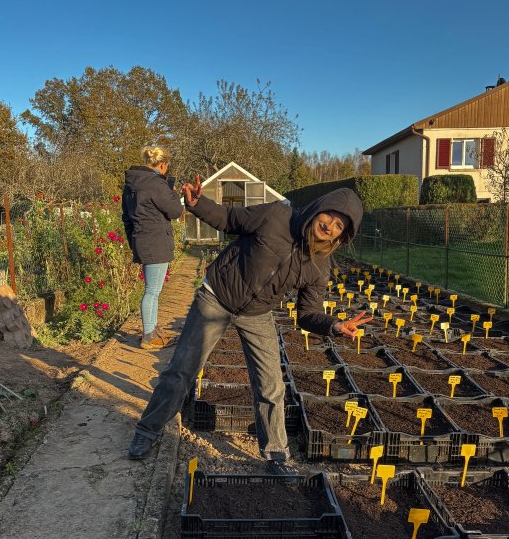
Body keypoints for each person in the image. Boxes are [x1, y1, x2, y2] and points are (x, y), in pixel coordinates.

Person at [127, 177, 372, 469]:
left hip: (257, 313)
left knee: (271, 385)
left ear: (341, 238)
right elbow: (231, 219)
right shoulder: (276, 216)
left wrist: (333, 325)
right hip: (216, 296)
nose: (330, 225)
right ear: (319, 209)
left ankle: (276, 453)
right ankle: (147, 430)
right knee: (182, 369)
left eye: (339, 226)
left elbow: (307, 313)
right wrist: (197, 204)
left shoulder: (320, 266)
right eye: (329, 215)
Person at [122, 145, 183, 349]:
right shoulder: (156, 184)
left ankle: (153, 329)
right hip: (156, 241)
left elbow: (126, 217)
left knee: (152, 290)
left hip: (142, 239)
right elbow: (175, 211)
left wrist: (134, 240)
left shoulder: (132, 185)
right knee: (152, 291)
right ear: (162, 165)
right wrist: (172, 191)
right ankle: (149, 335)